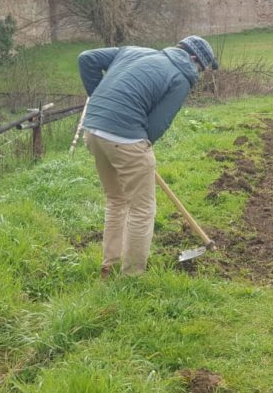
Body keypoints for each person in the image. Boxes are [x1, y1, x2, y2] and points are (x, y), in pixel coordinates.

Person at [78, 35, 219, 279]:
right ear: (193, 58)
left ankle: (109, 265)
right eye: (200, 68)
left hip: (93, 131)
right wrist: (141, 150)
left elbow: (86, 59)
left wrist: (101, 99)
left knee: (116, 199)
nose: (199, 73)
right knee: (141, 210)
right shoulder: (181, 77)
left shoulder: (134, 51)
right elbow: (159, 123)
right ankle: (132, 276)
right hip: (125, 139)